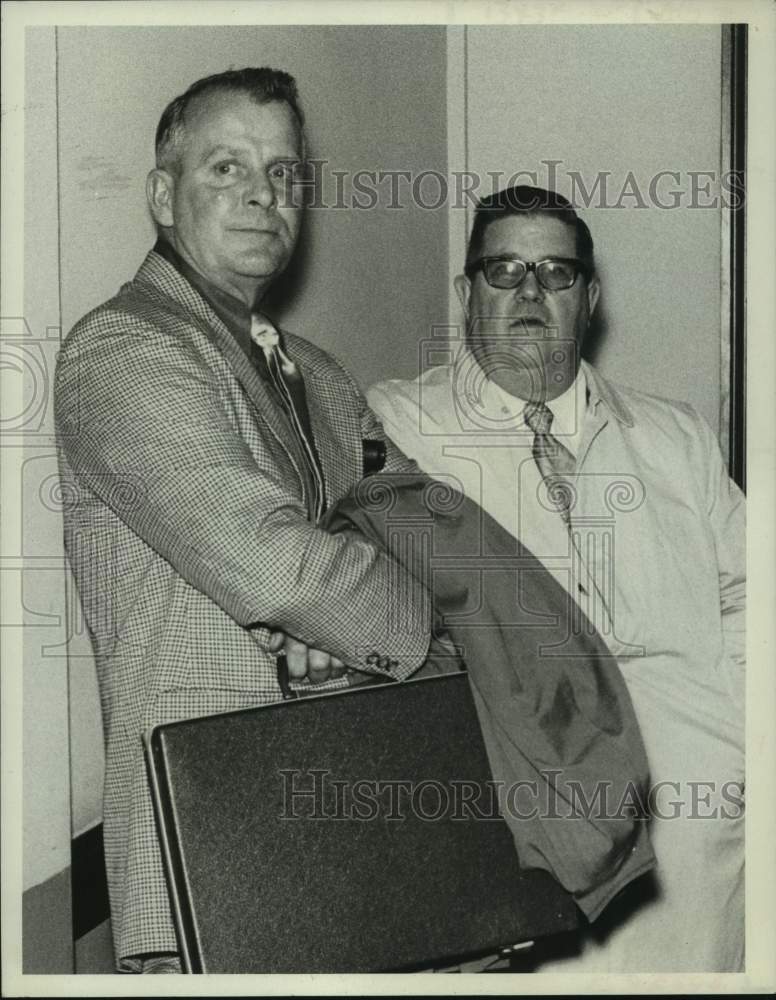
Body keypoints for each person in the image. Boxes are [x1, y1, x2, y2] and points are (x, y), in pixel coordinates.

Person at [54, 68, 435, 973]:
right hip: (208, 856)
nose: (265, 196)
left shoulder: (322, 374)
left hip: (350, 839)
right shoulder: (122, 353)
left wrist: (341, 600)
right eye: (227, 168)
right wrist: (412, 618)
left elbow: (425, 521)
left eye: (285, 173)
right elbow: (274, 567)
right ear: (162, 194)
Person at [368, 185, 746, 972]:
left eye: (556, 273)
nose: (530, 291)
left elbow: (750, 597)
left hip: (705, 842)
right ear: (467, 292)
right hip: (532, 836)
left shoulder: (676, 435)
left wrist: (747, 757)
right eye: (503, 270)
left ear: (591, 298)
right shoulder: (399, 425)